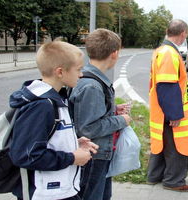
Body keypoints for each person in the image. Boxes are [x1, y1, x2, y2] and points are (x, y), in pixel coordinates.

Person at [9, 41, 98, 200]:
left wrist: (74, 143)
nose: (81, 74)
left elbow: (46, 139)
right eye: (78, 69)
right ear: (60, 72)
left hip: (60, 191)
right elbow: (26, 155)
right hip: (45, 194)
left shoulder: (56, 99)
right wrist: (72, 158)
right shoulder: (41, 106)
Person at [69, 28, 131, 200]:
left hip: (96, 155)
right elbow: (88, 128)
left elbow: (87, 114)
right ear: (114, 53)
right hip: (93, 157)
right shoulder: (92, 86)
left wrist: (112, 110)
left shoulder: (90, 80)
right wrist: (121, 120)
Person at [147, 19, 188, 192]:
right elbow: (167, 85)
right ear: (183, 33)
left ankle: (155, 176)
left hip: (161, 109)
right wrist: (174, 114)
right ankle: (174, 181)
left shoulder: (162, 50)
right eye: (186, 34)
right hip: (169, 110)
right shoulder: (170, 53)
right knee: (176, 146)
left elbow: (171, 79)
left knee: (163, 144)